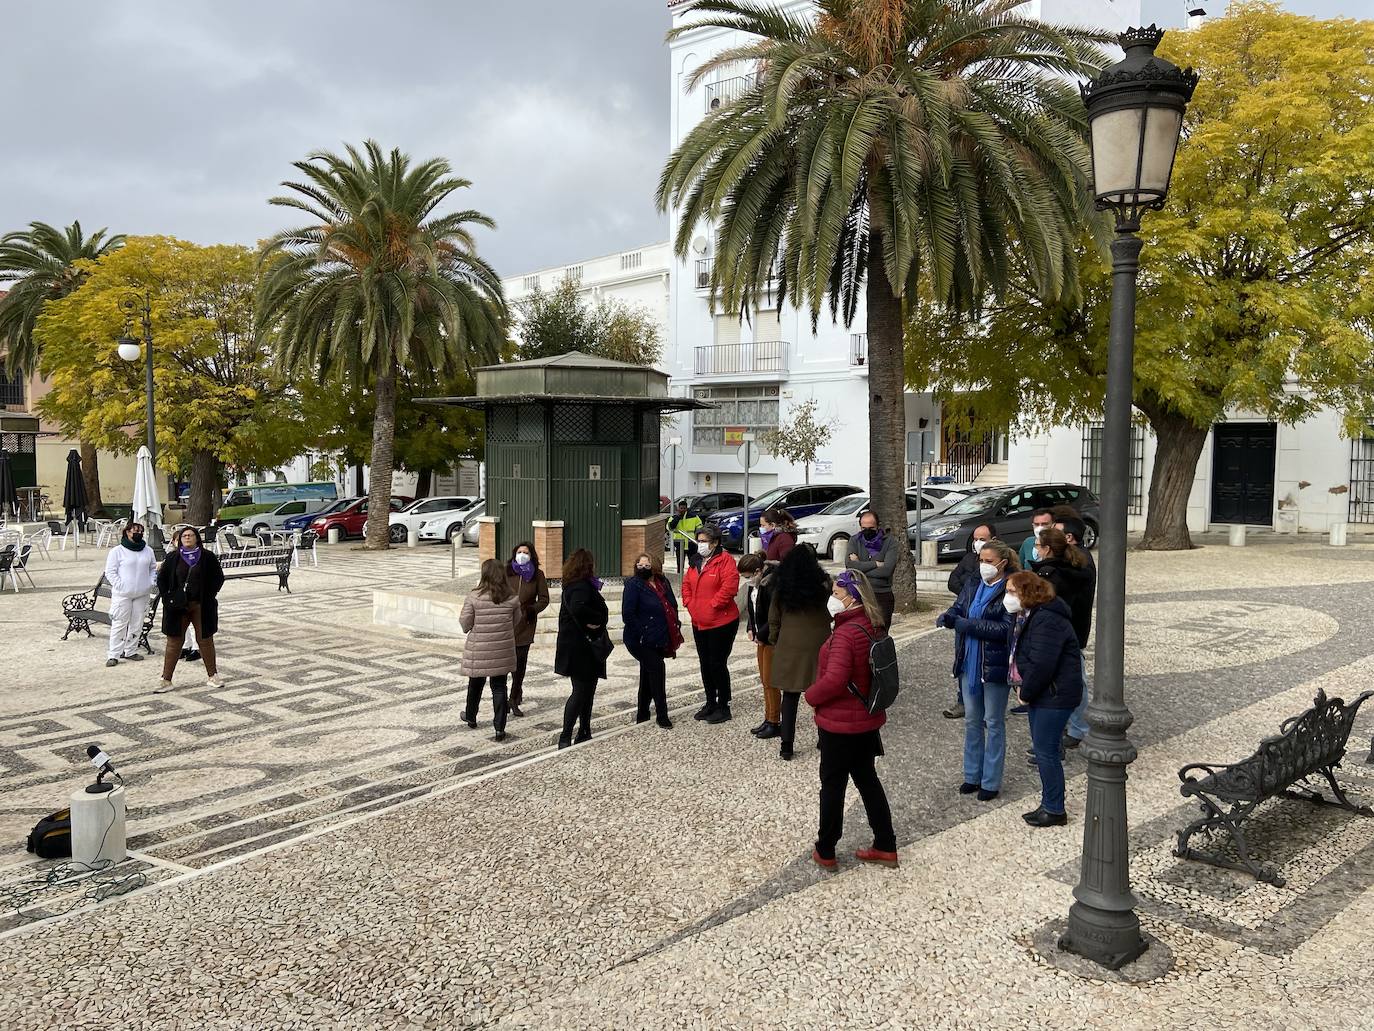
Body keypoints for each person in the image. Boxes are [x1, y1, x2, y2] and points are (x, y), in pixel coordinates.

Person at [805, 568, 897, 869]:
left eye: (836, 594)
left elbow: (835, 680)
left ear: (852, 597)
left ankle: (826, 848)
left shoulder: (845, 634)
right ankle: (886, 843)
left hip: (841, 723)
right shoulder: (872, 625)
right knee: (867, 781)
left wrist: (811, 696)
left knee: (833, 785)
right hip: (866, 718)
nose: (831, 599)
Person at [936, 539, 1017, 800]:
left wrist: (967, 625)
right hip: (969, 663)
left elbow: (1006, 628)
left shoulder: (1011, 588)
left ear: (1003, 563)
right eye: (981, 560)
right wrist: (950, 616)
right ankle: (972, 775)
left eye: (989, 561)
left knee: (993, 722)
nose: (984, 565)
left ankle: (990, 781)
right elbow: (960, 607)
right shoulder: (973, 582)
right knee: (972, 720)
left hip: (994, 665)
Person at [1005, 571, 1084, 827]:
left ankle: (1054, 808)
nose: (1007, 597)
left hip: (1054, 694)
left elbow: (1042, 663)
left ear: (1027, 592)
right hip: (1046, 693)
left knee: (1046, 752)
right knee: (1044, 750)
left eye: (1012, 592)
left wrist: (1026, 692)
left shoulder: (1047, 619)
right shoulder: (1030, 614)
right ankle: (1049, 802)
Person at [768, 544, 833, 761]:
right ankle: (824, 738)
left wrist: (775, 640)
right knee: (822, 694)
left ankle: (786, 744)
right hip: (819, 641)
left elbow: (773, 618)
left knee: (790, 695)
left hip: (790, 642)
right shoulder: (823, 584)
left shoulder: (781, 586)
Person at [682, 524, 741, 724]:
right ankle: (710, 702)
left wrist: (712, 605)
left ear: (715, 543)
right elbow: (686, 584)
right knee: (705, 663)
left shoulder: (725, 561)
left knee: (717, 663)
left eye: (704, 541)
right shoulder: (695, 561)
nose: (700, 544)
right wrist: (689, 603)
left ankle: (723, 705)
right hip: (699, 621)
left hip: (721, 622)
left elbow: (729, 587)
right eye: (699, 540)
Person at [156, 526, 226, 692]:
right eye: (184, 536)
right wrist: (168, 597)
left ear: (196, 538)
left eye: (190, 535)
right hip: (178, 606)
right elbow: (162, 579)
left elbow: (218, 577)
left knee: (205, 639)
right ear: (179, 540)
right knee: (174, 641)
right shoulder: (173, 557)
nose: (187, 538)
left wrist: (209, 595)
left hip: (201, 605)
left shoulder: (207, 556)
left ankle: (213, 676)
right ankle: (166, 679)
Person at [554, 549, 610, 748]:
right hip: (581, 647)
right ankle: (566, 735)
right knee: (580, 691)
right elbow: (579, 608)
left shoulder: (574, 585)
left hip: (579, 646)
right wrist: (595, 621)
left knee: (587, 690)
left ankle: (584, 730)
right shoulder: (580, 586)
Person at [460, 558, 521, 742]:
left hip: (478, 649)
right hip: (502, 649)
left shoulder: (474, 597)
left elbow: (465, 623)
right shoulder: (512, 598)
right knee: (499, 687)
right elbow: (516, 621)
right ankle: (499, 728)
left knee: (475, 684)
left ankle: (471, 716)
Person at [622, 551, 683, 729]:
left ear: (654, 567)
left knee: (647, 673)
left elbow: (672, 604)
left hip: (660, 636)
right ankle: (662, 714)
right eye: (639, 565)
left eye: (647, 565)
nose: (643, 568)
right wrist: (642, 633)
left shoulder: (663, 582)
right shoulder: (633, 585)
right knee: (657, 670)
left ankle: (642, 713)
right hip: (640, 639)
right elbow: (628, 613)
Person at [942, 523, 995, 719]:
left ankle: (989, 708)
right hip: (964, 617)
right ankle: (963, 701)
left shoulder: (998, 561)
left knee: (987, 662)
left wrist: (971, 586)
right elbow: (953, 581)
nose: (977, 543)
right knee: (962, 660)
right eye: (975, 539)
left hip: (985, 622)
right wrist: (969, 591)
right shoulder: (968, 558)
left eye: (982, 539)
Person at [504, 541, 550, 717]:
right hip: (506, 624)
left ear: (531, 556)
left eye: (526, 552)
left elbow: (544, 599)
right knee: (504, 664)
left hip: (525, 625)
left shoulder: (537, 574)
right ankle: (503, 697)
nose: (522, 555)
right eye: (519, 552)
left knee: (520, 665)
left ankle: (514, 698)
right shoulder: (507, 572)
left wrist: (531, 610)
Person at [103, 521, 157, 667]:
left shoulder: (148, 550)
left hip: (142, 593)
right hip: (123, 594)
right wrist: (120, 585)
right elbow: (110, 572)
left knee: (137, 623)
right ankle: (114, 654)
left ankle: (131, 650)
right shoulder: (117, 551)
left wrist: (151, 582)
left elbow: (153, 568)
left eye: (141, 531)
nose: (138, 534)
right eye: (135, 531)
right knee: (119, 624)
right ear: (127, 532)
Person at [739, 552, 781, 739]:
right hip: (760, 638)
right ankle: (768, 717)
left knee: (770, 681)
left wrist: (761, 635)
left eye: (747, 576)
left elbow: (774, 616)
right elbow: (752, 609)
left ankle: (774, 720)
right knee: (764, 680)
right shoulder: (754, 585)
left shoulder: (771, 585)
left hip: (770, 639)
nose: (746, 580)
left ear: (757, 571)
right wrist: (750, 627)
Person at [845, 508, 900, 629]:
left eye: (871, 528)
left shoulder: (889, 542)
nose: (867, 531)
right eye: (864, 528)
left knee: (880, 632)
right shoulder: (854, 540)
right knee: (859, 632)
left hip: (881, 594)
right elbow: (850, 566)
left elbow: (886, 570)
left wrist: (860, 565)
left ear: (878, 526)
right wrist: (875, 564)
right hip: (860, 593)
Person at [668, 501, 702, 575]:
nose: (682, 510)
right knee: (680, 561)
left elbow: (699, 527)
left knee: (693, 561)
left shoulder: (693, 516)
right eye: (681, 508)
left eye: (684, 508)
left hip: (691, 542)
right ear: (678, 508)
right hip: (679, 542)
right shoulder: (674, 517)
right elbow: (670, 527)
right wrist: (677, 517)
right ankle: (680, 575)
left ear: (686, 508)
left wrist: (697, 537)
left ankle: (693, 575)